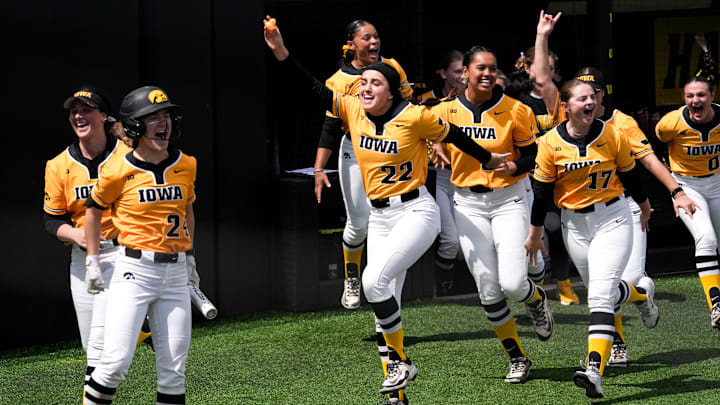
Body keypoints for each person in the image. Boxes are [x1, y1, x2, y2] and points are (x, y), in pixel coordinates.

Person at [263, 17, 508, 404]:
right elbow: (311, 87)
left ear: (392, 92)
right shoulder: (352, 110)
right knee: (382, 303)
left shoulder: (414, 116)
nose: (365, 87)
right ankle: (397, 393)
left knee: (374, 283)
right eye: (363, 83)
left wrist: (488, 160)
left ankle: (402, 365)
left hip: (415, 212)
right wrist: (281, 53)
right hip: (379, 218)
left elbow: (455, 135)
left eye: (375, 83)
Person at [427, 45, 553, 384]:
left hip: (508, 199)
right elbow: (421, 131)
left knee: (513, 283)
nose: (486, 74)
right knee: (488, 290)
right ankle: (518, 358)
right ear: (464, 72)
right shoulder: (445, 109)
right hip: (467, 203)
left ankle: (536, 298)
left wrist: (514, 165)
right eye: (479, 68)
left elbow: (534, 157)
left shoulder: (516, 109)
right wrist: (434, 146)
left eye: (492, 68)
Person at [525, 78, 658, 399]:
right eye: (580, 98)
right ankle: (641, 296)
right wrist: (534, 234)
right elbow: (541, 193)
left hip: (612, 217)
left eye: (592, 98)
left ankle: (594, 369)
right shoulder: (549, 143)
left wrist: (644, 207)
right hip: (574, 225)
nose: (588, 102)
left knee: (599, 297)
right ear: (566, 106)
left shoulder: (612, 133)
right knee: (607, 295)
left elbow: (630, 174)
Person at [576, 67, 700, 368]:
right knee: (600, 288)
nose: (590, 100)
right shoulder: (566, 123)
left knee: (627, 280)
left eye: (595, 92)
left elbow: (648, 159)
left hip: (625, 207)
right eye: (583, 94)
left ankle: (642, 295)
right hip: (583, 215)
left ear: (602, 94)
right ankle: (617, 342)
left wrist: (676, 191)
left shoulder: (621, 121)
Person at [82, 86, 199, 405]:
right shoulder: (118, 169)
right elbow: (92, 211)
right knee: (115, 363)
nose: (164, 123)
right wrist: (92, 260)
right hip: (134, 270)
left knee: (174, 370)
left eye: (166, 115)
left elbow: (186, 208)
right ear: (134, 125)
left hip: (175, 275)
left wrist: (189, 257)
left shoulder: (186, 164)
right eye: (154, 117)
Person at [43, 87, 142, 391]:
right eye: (74, 110)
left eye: (86, 109)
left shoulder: (130, 158)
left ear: (103, 116)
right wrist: (76, 234)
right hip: (84, 260)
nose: (78, 115)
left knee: (99, 349)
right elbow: (51, 220)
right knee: (92, 347)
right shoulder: (59, 165)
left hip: (125, 254)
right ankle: (139, 330)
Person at [312, 20, 413, 312]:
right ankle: (352, 277)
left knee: (394, 220)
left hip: (390, 148)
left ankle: (388, 297)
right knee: (359, 223)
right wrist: (319, 168)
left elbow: (410, 107)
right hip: (355, 151)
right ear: (351, 44)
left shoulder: (392, 67)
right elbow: (331, 127)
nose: (374, 42)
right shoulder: (337, 80)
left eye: (376, 36)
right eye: (366, 37)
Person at [514, 10, 580, 305]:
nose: (545, 71)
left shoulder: (559, 100)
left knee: (556, 229)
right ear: (525, 66)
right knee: (528, 233)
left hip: (557, 177)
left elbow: (545, 82)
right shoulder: (515, 99)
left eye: (551, 67)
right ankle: (533, 283)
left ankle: (564, 282)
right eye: (542, 65)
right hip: (525, 176)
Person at [655, 74, 720, 332]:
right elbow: (652, 153)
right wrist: (675, 189)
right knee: (706, 238)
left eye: (701, 95)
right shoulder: (670, 123)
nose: (695, 100)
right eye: (690, 96)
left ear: (712, 97)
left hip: (717, 182)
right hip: (687, 186)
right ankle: (716, 304)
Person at [418, 49, 466, 296]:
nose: (462, 76)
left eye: (464, 71)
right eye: (457, 71)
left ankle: (459, 288)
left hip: (464, 176)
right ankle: (442, 291)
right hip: (436, 176)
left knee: (462, 247)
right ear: (444, 73)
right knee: (450, 243)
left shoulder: (470, 99)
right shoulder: (427, 99)